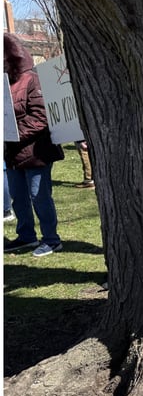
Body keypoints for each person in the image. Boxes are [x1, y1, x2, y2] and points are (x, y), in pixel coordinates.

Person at [3, 32, 65, 256]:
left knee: (39, 196)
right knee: (18, 198)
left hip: (36, 151)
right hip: (12, 153)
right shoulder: (4, 83)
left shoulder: (32, 80)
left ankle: (51, 239)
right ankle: (26, 236)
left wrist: (12, 133)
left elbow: (41, 117)